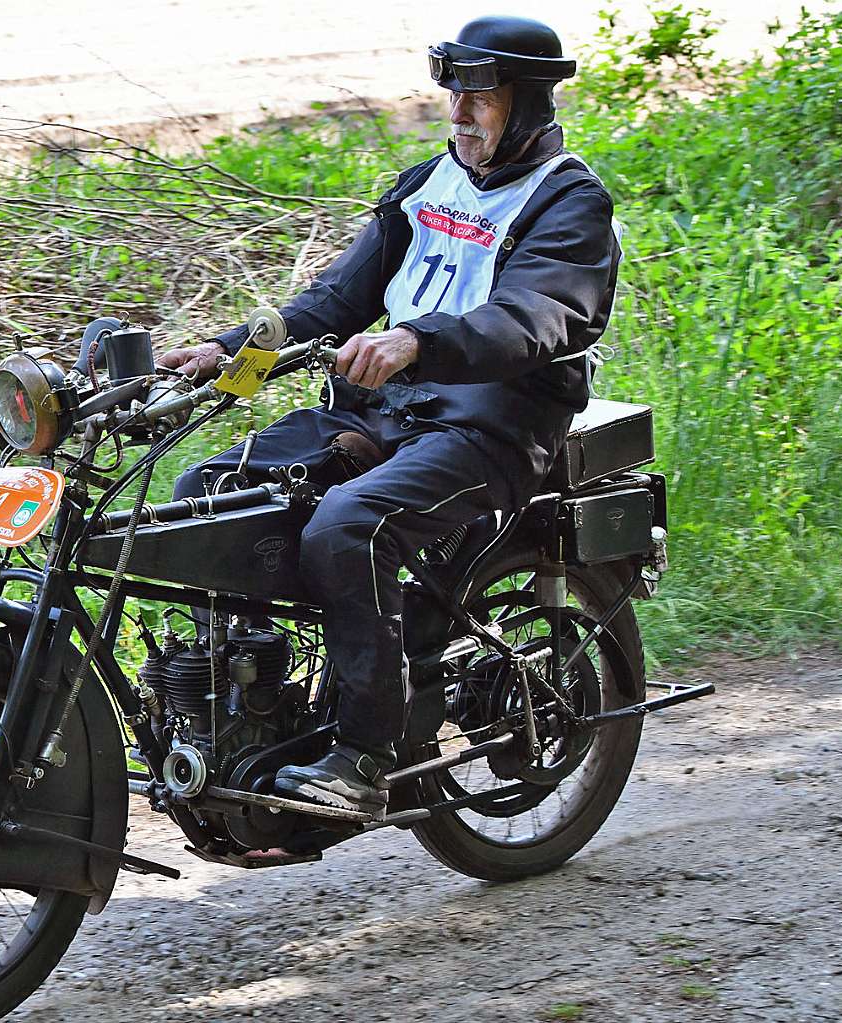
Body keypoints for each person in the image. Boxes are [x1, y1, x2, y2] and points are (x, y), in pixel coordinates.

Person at [158, 15, 621, 814]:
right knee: (206, 496)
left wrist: (416, 341)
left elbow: (535, 318)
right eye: (454, 94)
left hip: (491, 430)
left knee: (348, 528)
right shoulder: (426, 184)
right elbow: (336, 300)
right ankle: (242, 721)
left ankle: (364, 756)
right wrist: (225, 354)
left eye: (480, 96)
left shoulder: (569, 203)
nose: (459, 112)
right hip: (383, 413)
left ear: (529, 101)